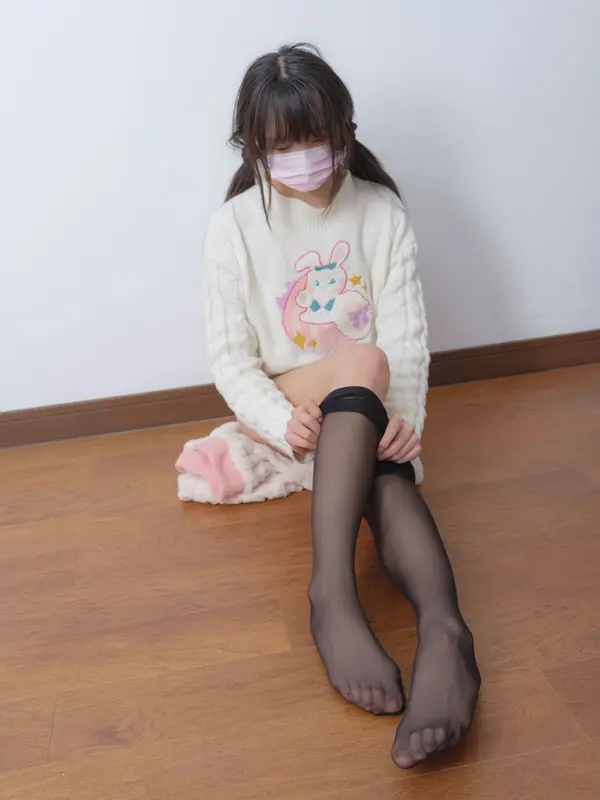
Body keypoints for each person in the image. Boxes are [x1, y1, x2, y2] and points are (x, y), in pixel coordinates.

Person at [204, 43, 480, 769]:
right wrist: (276, 421)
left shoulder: (381, 214)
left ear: (343, 131)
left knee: (380, 434)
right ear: (253, 147)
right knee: (363, 363)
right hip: (286, 395)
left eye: (315, 138)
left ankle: (446, 632)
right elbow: (231, 361)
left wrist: (405, 423)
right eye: (281, 146)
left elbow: (408, 340)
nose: (303, 159)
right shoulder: (234, 226)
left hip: (362, 401)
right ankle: (332, 590)